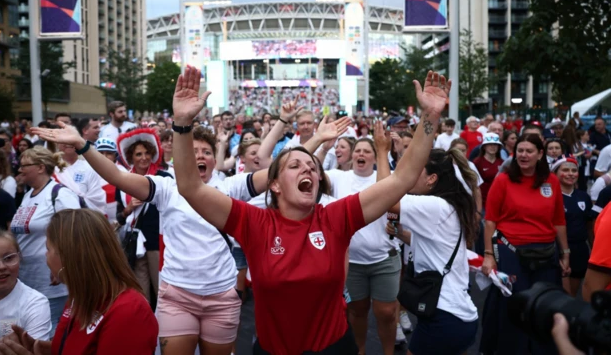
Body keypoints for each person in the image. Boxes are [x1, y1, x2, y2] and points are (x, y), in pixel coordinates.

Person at [170, 67, 450, 354]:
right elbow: (191, 188)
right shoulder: (252, 222)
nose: (307, 168)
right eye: (294, 165)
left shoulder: (336, 217)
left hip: (333, 348)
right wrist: (181, 122)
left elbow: (402, 179)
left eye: (311, 167)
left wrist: (430, 117)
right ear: (275, 185)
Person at [31, 123, 269, 355]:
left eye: (206, 152)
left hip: (222, 295)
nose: (200, 156)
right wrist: (82, 145)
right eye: (192, 151)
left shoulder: (230, 186)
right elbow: (116, 176)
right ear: (179, 159)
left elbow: (275, 173)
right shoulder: (165, 188)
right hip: (178, 296)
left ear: (214, 160)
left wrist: (298, 156)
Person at [0, 209, 158, 354]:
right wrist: (40, 348)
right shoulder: (80, 298)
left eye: (48, 249)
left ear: (69, 257)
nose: (45, 255)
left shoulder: (128, 311)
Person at [480, 133, 570, 354]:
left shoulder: (552, 181)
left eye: (529, 151)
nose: (523, 155)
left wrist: (565, 252)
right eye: (520, 150)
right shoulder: (503, 179)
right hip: (510, 252)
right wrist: (489, 254)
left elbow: (559, 220)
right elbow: (490, 220)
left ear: (540, 154)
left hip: (546, 252)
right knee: (514, 306)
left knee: (545, 305)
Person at [385, 147, 480, 355]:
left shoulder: (436, 206)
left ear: (431, 179)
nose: (410, 177)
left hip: (444, 317)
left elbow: (386, 199)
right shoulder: (448, 205)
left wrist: (381, 152)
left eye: (416, 171)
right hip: (456, 316)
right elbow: (436, 245)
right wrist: (402, 234)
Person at [326, 136, 401, 355]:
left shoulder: (385, 177)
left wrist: (397, 226)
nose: (361, 154)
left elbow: (395, 208)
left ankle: (388, 352)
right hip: (352, 263)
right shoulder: (338, 178)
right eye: (357, 150)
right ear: (351, 155)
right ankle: (360, 350)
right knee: (357, 311)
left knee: (386, 312)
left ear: (375, 156)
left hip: (383, 258)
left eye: (367, 151)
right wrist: (322, 144)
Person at [10, 147, 82, 334]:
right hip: (26, 280)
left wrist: (62, 266)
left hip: (52, 284)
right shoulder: (27, 195)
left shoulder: (60, 193)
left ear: (41, 167)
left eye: (24, 165)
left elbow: (74, 231)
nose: (19, 169)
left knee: (49, 332)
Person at [0, 230, 51, 354]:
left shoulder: (35, 303)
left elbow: (36, 350)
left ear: (19, 257)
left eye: (9, 258)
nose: (2, 267)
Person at [115, 128, 171, 302]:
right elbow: (119, 218)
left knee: (162, 291)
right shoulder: (123, 181)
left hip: (158, 243)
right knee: (142, 293)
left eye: (147, 153)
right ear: (131, 157)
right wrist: (128, 208)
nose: (144, 158)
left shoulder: (164, 177)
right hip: (135, 245)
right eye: (138, 154)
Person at [551, 156, 594, 297]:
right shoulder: (550, 197)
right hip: (558, 250)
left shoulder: (583, 197)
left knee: (573, 295)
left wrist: (593, 248)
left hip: (580, 249)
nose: (570, 173)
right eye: (565, 170)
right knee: (563, 295)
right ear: (555, 173)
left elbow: (589, 226)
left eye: (574, 170)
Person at [54, 142, 107, 215]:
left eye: (71, 140)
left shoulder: (90, 168)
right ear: (57, 144)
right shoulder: (52, 169)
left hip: (85, 219)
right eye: (64, 141)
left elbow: (96, 198)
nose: (69, 143)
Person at [472, 133, 504, 209]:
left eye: (495, 144)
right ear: (484, 147)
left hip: (498, 200)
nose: (492, 147)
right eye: (489, 144)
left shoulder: (502, 163)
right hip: (482, 202)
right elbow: (474, 183)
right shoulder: (477, 162)